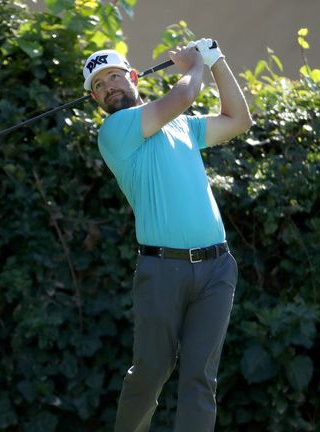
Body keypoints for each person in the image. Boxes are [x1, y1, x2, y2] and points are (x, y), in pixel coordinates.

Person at [82, 38, 252, 432]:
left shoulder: (180, 126)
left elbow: (239, 121)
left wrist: (216, 60)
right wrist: (194, 65)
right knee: (150, 372)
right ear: (95, 100)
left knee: (200, 378)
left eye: (114, 77)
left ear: (133, 76)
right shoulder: (115, 130)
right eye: (99, 87)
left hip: (217, 269)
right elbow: (184, 94)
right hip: (162, 269)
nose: (109, 88)